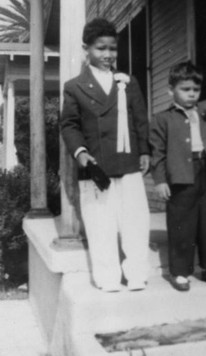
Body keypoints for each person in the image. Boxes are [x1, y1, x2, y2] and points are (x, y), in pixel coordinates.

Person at [61, 18, 150, 292]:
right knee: (101, 223)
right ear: (86, 48)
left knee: (135, 220)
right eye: (101, 48)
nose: (108, 55)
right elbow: (69, 124)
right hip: (96, 164)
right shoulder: (75, 86)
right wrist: (80, 152)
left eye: (112, 49)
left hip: (128, 161)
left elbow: (140, 119)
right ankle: (108, 278)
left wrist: (144, 150)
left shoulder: (127, 82)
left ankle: (136, 274)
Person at [149, 61, 206, 292]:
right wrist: (160, 180)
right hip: (179, 175)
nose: (191, 94)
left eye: (195, 90)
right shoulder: (163, 119)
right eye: (185, 89)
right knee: (181, 224)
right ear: (171, 91)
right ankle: (180, 271)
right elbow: (157, 153)